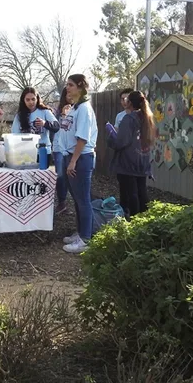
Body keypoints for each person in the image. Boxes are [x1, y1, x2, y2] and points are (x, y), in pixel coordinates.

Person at [59, 74, 98, 254]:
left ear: (81, 87)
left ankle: (86, 239)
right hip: (71, 156)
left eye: (71, 85)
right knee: (76, 198)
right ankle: (81, 233)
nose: (68, 88)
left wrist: (73, 161)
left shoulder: (84, 109)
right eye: (67, 85)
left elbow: (82, 138)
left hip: (81, 158)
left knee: (83, 200)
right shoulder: (75, 107)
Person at [107, 90, 155, 218]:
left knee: (131, 194)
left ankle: (134, 221)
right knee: (142, 192)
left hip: (128, 161)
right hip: (143, 159)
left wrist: (111, 138)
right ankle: (146, 220)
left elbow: (121, 141)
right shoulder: (147, 117)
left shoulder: (129, 118)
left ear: (129, 103)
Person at [11, 87, 60, 165]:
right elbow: (14, 135)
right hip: (26, 153)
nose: (31, 102)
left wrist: (45, 124)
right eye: (28, 100)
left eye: (33, 99)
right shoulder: (19, 116)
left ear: (37, 99)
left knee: (42, 176)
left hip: (43, 152)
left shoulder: (45, 112)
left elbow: (57, 126)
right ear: (23, 101)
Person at [52, 88, 72, 214]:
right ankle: (61, 203)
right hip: (59, 147)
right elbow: (58, 129)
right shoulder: (57, 112)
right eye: (67, 94)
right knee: (61, 175)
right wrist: (64, 114)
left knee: (71, 175)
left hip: (72, 147)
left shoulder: (78, 110)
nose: (70, 96)